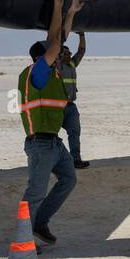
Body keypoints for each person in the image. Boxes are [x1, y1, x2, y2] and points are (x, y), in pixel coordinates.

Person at [17, 0, 81, 245]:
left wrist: (67, 10)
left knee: (68, 179)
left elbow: (55, 38)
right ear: (42, 57)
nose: (59, 54)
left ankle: (39, 224)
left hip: (54, 143)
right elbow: (56, 41)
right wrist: (60, 10)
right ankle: (23, 238)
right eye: (52, 53)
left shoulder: (48, 73)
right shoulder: (37, 73)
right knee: (34, 193)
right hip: (41, 144)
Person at [57, 29, 89, 168]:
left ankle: (75, 159)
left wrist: (82, 35)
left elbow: (81, 51)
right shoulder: (57, 66)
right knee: (51, 135)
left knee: (74, 133)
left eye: (70, 53)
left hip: (70, 106)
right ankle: (54, 161)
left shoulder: (72, 64)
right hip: (57, 106)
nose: (69, 55)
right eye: (66, 53)